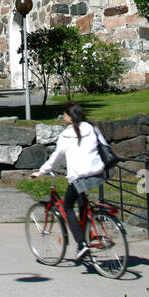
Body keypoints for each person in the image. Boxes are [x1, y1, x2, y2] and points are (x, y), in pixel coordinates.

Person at [31, 101, 106, 261]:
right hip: (97, 172)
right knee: (82, 203)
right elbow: (104, 146)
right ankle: (86, 236)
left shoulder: (67, 134)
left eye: (65, 115)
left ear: (70, 117)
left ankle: (82, 243)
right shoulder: (93, 128)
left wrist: (42, 171)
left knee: (67, 207)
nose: (64, 117)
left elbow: (56, 157)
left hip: (79, 175)